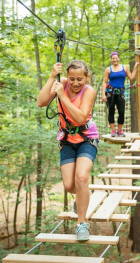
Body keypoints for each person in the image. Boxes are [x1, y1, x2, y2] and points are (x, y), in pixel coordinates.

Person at [37, 60, 98, 241]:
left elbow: (80, 118)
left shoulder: (89, 91)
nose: (75, 83)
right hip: (67, 140)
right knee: (70, 186)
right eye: (72, 79)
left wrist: (62, 96)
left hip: (87, 138)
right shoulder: (62, 83)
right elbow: (41, 102)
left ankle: (81, 224)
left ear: (87, 77)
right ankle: (81, 197)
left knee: (81, 177)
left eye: (80, 79)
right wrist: (51, 76)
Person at [102, 52, 139, 137]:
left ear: (119, 58)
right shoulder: (108, 69)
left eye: (116, 58)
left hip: (120, 93)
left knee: (121, 111)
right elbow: (104, 82)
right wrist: (103, 95)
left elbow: (132, 77)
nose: (115, 60)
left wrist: (136, 67)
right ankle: (113, 131)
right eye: (113, 58)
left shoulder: (124, 68)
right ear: (111, 59)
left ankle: (120, 130)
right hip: (110, 92)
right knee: (111, 111)